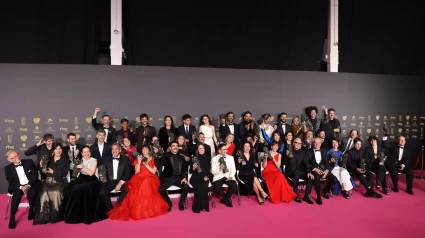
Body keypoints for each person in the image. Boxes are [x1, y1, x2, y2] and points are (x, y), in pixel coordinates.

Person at [108, 145, 168, 220]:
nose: (145, 150)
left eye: (146, 149)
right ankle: (140, 208)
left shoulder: (154, 159)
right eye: (143, 149)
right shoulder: (137, 159)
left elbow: (153, 171)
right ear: (141, 151)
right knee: (139, 185)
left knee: (146, 182)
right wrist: (139, 161)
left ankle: (147, 208)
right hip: (139, 177)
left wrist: (146, 165)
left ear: (149, 150)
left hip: (151, 177)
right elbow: (137, 172)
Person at [61, 146, 107, 224]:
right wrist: (75, 167)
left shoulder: (94, 160)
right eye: (84, 152)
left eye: (88, 151)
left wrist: (83, 166)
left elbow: (91, 173)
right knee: (69, 189)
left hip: (91, 180)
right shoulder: (79, 160)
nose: (86, 153)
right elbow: (75, 173)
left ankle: (84, 216)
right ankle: (73, 214)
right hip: (81, 179)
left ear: (90, 152)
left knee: (83, 189)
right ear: (82, 153)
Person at [34, 143, 70, 225]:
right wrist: (41, 166)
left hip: (60, 181)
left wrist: (53, 172)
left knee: (56, 192)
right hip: (47, 181)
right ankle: (45, 216)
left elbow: (64, 173)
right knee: (44, 193)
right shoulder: (48, 160)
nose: (58, 151)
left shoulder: (66, 160)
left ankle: (55, 215)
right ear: (53, 150)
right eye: (56, 149)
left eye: (60, 149)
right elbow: (43, 173)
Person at [5, 150, 41, 229]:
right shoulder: (8, 168)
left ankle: (31, 211)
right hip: (18, 186)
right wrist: (21, 187)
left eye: (17, 154)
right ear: (10, 160)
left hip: (30, 184)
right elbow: (11, 182)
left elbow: (34, 176)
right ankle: (12, 218)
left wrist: (28, 186)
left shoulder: (29, 162)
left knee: (32, 194)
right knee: (16, 197)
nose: (17, 157)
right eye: (14, 157)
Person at [99, 143, 132, 212]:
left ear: (120, 150)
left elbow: (127, 174)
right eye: (113, 149)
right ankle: (110, 209)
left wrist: (120, 183)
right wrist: (101, 175)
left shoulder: (125, 159)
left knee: (126, 191)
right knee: (102, 192)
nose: (114, 150)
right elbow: (102, 169)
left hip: (121, 181)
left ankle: (118, 207)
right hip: (109, 181)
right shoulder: (106, 159)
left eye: (116, 148)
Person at [158, 141, 190, 211]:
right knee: (160, 190)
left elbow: (184, 169)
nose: (175, 147)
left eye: (176, 146)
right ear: (170, 147)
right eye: (173, 146)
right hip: (168, 178)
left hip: (178, 178)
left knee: (186, 186)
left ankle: (181, 202)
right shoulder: (166, 155)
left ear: (178, 147)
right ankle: (168, 202)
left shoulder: (181, 157)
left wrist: (184, 177)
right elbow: (159, 164)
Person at [306, 138, 338, 205]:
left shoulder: (324, 151)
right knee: (317, 177)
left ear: (321, 143)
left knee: (334, 179)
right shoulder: (308, 151)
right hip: (314, 170)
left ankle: (325, 190)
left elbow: (326, 162)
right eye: (315, 142)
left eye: (318, 142)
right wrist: (314, 169)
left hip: (323, 170)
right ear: (312, 143)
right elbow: (307, 163)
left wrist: (326, 170)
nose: (317, 144)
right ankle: (318, 196)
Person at [284, 138, 315, 204]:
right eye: (296, 143)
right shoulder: (288, 151)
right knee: (296, 176)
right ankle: (296, 195)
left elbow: (306, 163)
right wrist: (287, 156)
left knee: (310, 177)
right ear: (293, 143)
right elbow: (284, 163)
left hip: (299, 171)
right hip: (290, 171)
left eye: (300, 143)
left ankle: (306, 196)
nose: (298, 144)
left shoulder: (303, 153)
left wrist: (309, 172)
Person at [189, 144, 211, 213]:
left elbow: (208, 170)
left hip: (204, 176)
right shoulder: (194, 158)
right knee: (199, 185)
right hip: (195, 177)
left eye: (203, 148)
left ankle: (204, 206)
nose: (201, 150)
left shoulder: (207, 158)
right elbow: (190, 171)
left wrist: (207, 177)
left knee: (204, 184)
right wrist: (193, 168)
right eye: (200, 148)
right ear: (197, 150)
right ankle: (197, 207)